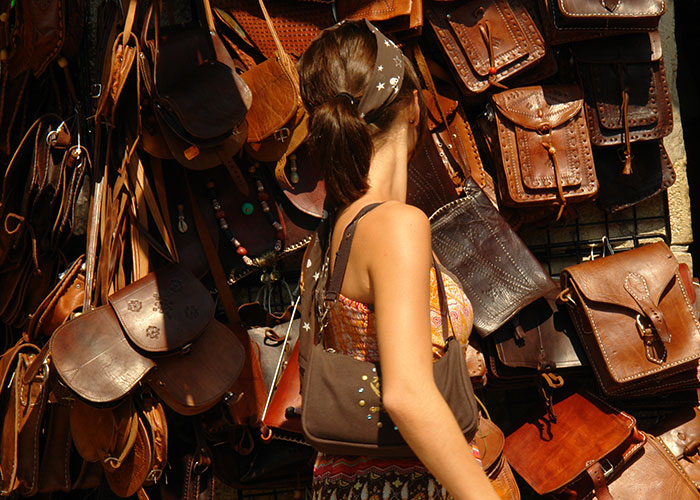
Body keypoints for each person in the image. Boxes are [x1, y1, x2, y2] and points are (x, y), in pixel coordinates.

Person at [297, 19, 500, 500]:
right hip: (406, 487)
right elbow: (407, 394)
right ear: (413, 106)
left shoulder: (334, 232)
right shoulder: (398, 225)